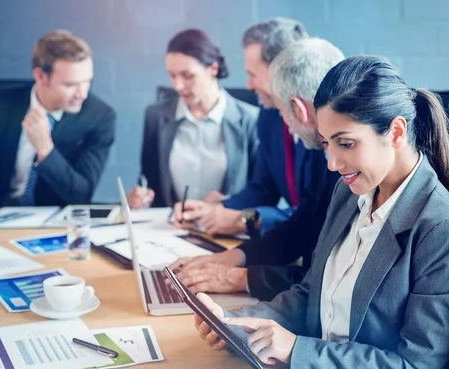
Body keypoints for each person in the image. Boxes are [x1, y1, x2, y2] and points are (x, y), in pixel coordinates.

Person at [192, 55, 449, 369]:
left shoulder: (441, 230)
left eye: (346, 143)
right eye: (326, 143)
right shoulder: (349, 191)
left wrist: (296, 350)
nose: (331, 163)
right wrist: (239, 324)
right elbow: (311, 293)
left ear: (397, 132)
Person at [170, 38, 344, 301]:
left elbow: (329, 280)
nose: (282, 121)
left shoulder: (337, 160)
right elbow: (304, 225)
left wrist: (240, 277)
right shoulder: (329, 150)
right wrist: (234, 257)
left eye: (282, 111)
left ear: (297, 109)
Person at [172, 18, 327, 238]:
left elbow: (317, 216)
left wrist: (247, 220)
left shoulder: (324, 127)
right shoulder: (269, 115)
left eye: (253, 74)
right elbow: (263, 188)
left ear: (282, 69)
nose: (248, 85)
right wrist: (219, 209)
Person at [0, 29, 115, 207]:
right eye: (70, 84)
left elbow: (81, 195)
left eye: (87, 81)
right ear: (40, 76)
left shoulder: (99, 117)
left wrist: (45, 149)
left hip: (53, 218)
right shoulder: (5, 103)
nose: (82, 94)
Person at [127, 29, 259, 208]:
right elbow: (149, 182)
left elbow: (260, 190)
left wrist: (229, 205)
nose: (178, 86)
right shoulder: (155, 118)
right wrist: (141, 198)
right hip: (169, 229)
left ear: (213, 68)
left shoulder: (251, 120)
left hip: (228, 229)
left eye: (187, 76)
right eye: (172, 75)